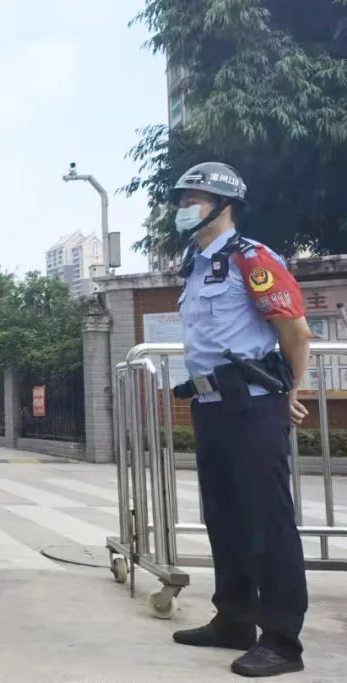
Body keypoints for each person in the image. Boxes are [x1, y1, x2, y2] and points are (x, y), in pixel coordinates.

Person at [168, 162, 311, 678]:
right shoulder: (195, 264)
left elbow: (295, 332)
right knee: (223, 515)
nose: (185, 206)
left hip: (253, 403)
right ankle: (234, 618)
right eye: (183, 197)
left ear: (224, 204)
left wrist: (290, 391)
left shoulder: (254, 259)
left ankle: (281, 640)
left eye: (196, 198)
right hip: (210, 405)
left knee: (266, 522)